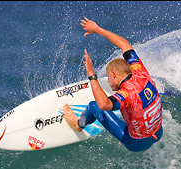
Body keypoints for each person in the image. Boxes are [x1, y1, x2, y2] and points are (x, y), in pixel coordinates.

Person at [63, 17, 163, 152]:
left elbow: (103, 105)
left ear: (114, 74)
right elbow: (125, 45)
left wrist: (91, 74)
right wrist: (97, 30)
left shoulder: (126, 94)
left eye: (109, 77)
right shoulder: (140, 71)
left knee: (94, 106)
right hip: (158, 132)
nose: (108, 82)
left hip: (137, 143)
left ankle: (78, 124)